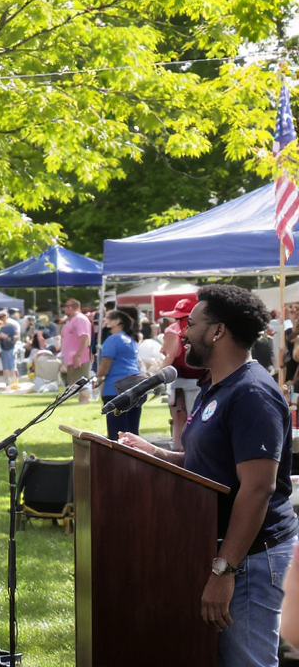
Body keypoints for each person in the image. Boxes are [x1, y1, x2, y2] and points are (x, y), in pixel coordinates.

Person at [118, 285, 295, 667]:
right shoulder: (214, 386)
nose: (182, 333)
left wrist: (223, 570)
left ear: (217, 332)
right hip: (223, 552)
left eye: (191, 324)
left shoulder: (252, 394)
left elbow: (259, 488)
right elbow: (212, 465)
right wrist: (158, 454)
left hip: (253, 559)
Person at [98, 309, 142, 439]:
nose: (104, 321)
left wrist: (96, 377)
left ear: (117, 322)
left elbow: (105, 365)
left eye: (107, 318)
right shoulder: (131, 340)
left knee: (116, 433)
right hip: (136, 385)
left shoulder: (112, 340)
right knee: (132, 432)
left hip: (115, 388)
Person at [61, 299, 94, 404]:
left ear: (71, 307)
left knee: (80, 381)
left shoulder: (80, 319)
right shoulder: (71, 320)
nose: (63, 309)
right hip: (71, 357)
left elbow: (85, 337)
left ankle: (84, 402)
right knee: (73, 381)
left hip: (80, 357)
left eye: (65, 306)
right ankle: (81, 402)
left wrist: (78, 355)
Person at [0, 311, 19, 389]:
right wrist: (11, 340)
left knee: (7, 367)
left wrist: (6, 338)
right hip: (10, 347)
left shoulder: (4, 327)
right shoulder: (12, 325)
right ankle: (13, 383)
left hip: (6, 348)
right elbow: (16, 336)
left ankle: (9, 383)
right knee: (12, 366)